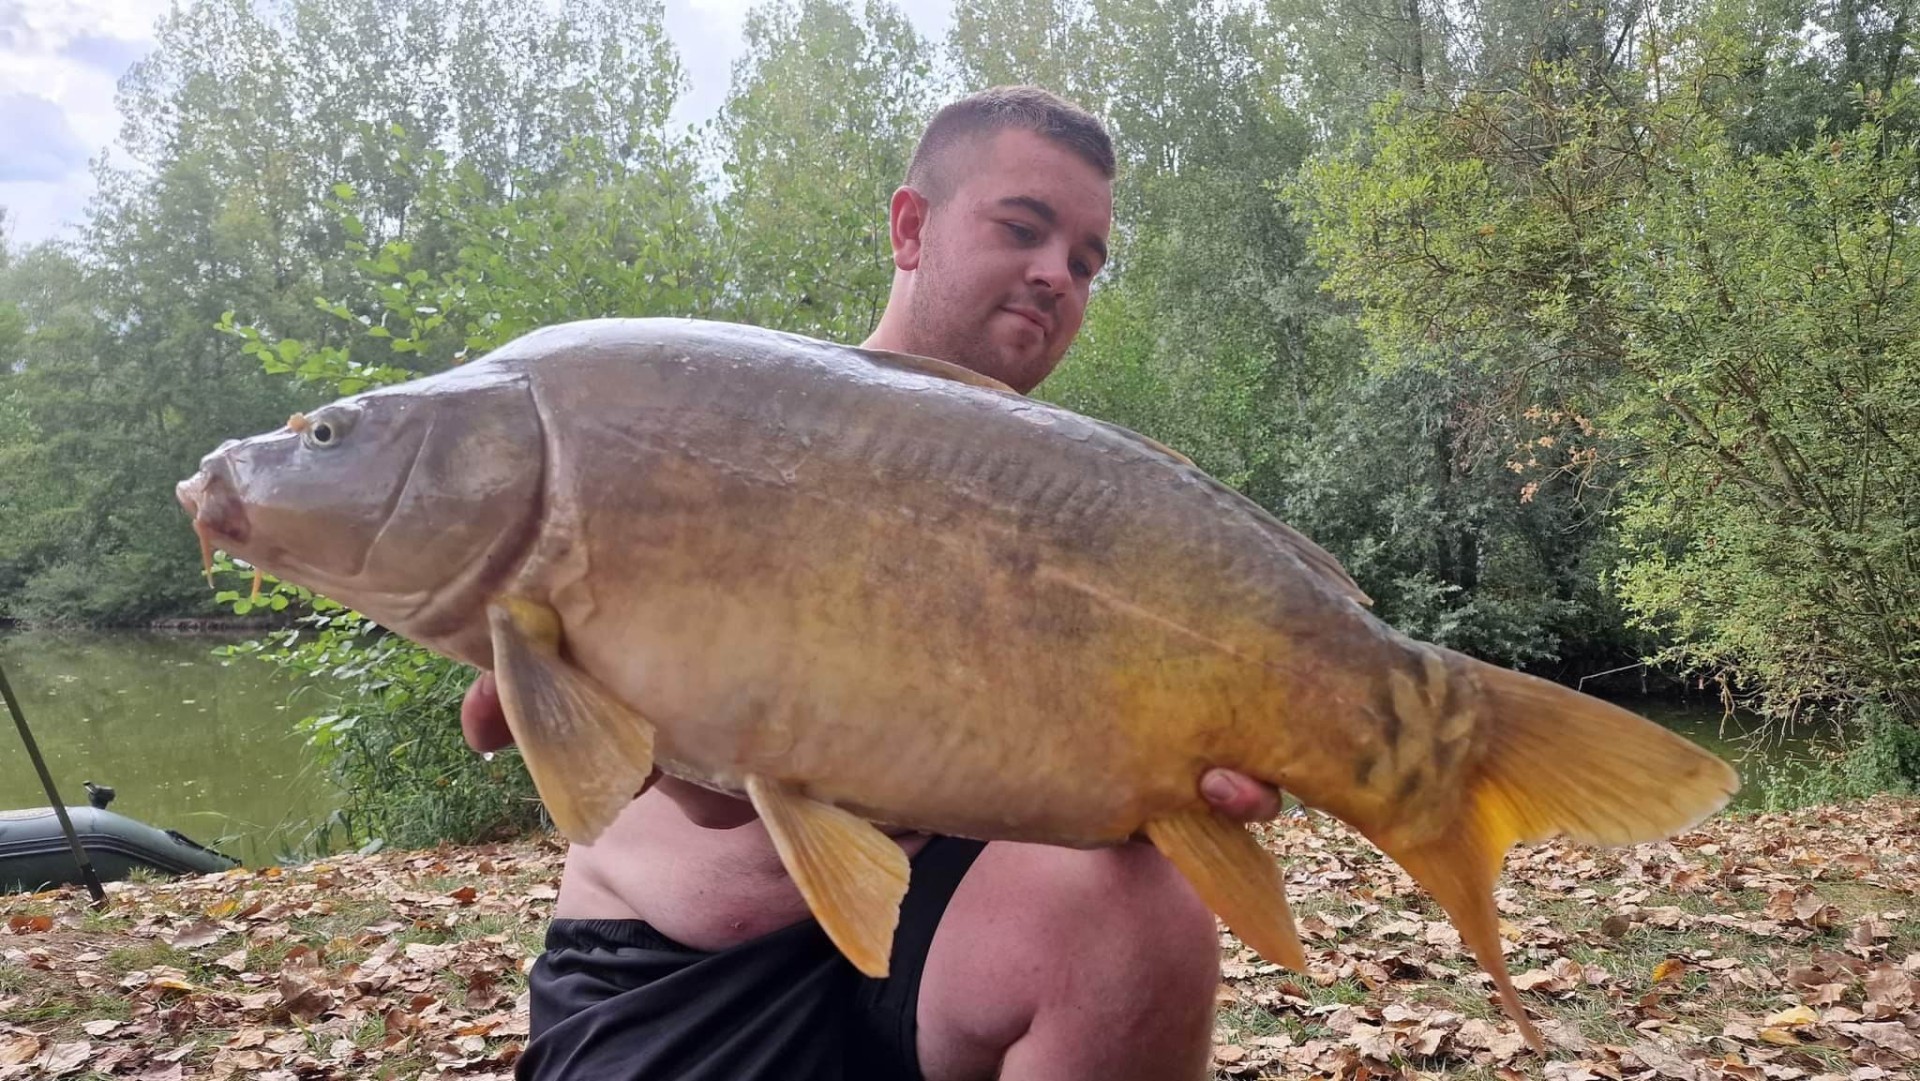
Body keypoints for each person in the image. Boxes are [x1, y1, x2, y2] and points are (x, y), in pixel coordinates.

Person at [459, 86, 1284, 1081]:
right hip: (677, 976)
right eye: (1023, 228)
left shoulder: (1083, 516)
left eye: (1085, 259)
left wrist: (1208, 741)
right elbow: (712, 803)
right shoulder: (736, 427)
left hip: (931, 940)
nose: (1055, 274)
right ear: (910, 226)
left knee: (1140, 903)